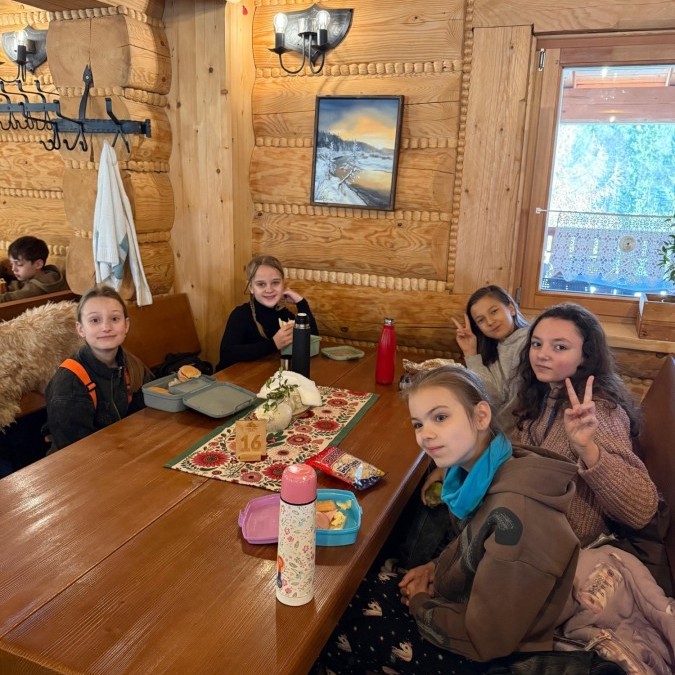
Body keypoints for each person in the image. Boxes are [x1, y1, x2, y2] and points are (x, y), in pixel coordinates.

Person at [312, 366, 580, 673]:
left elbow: (487, 639)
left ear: (481, 416)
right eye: (418, 424)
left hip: (495, 658)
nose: (425, 434)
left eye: (440, 417)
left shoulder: (516, 515)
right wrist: (435, 567)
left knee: (332, 627)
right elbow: (475, 548)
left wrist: (419, 601)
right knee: (353, 593)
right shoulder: (487, 468)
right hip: (467, 609)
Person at [512, 302, 658, 547]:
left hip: (562, 542)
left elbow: (641, 509)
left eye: (560, 347)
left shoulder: (599, 411)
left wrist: (588, 449)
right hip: (531, 517)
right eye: (537, 344)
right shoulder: (544, 392)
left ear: (585, 356)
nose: (542, 354)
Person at [45, 284, 151, 451]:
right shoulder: (68, 384)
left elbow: (145, 416)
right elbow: (77, 451)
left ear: (126, 325)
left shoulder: (132, 365)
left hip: (124, 448)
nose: (106, 327)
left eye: (114, 319)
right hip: (82, 460)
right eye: (95, 320)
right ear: (81, 329)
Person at [216, 254, 318, 370]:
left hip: (267, 374)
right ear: (251, 287)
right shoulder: (241, 315)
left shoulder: (283, 313)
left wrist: (301, 302)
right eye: (261, 284)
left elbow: (312, 339)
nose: (269, 289)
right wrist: (273, 344)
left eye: (275, 283)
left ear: (283, 284)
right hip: (236, 378)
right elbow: (227, 354)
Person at [452, 284, 529, 414]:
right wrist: (470, 352)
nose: (490, 322)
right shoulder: (495, 347)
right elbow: (491, 395)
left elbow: (495, 400)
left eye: (494, 311)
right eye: (481, 320)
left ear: (511, 309)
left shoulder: (530, 343)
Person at [0, 236, 69, 302]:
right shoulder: (33, 275)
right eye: (11, 264)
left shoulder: (42, 285)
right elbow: (19, 284)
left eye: (19, 264)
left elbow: (10, 298)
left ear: (38, 264)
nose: (13, 269)